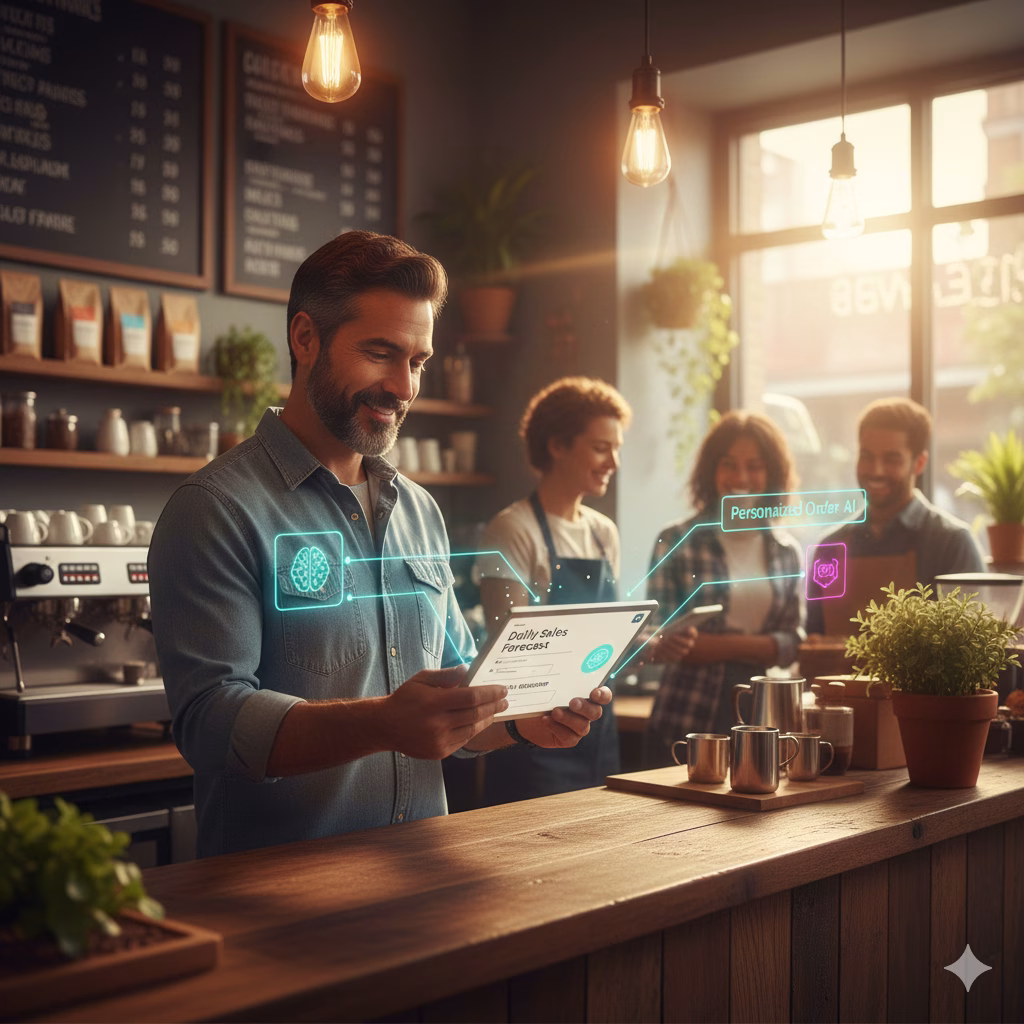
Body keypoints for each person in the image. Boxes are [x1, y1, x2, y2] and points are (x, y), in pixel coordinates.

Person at [148, 232, 610, 857]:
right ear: (305, 338)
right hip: (277, 904)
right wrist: (380, 722)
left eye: (417, 361)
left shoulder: (419, 510)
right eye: (379, 353)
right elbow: (209, 724)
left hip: (422, 883)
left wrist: (525, 723)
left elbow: (455, 709)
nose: (403, 386)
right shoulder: (216, 509)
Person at [473, 377, 631, 802]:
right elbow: (511, 648)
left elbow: (607, 636)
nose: (613, 462)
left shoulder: (604, 533)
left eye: (617, 448)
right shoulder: (512, 530)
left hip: (597, 723)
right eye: (601, 447)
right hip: (531, 731)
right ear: (558, 446)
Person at [643, 411, 804, 768]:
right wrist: (761, 646)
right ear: (711, 471)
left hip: (762, 716)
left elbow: (793, 643)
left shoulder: (786, 550)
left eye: (755, 465)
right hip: (686, 714)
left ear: (772, 474)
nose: (740, 477)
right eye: (728, 464)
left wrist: (714, 645)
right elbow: (659, 638)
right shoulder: (676, 541)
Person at [805, 397, 986, 635]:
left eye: (891, 459)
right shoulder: (829, 547)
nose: (876, 470)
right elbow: (813, 639)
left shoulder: (952, 543)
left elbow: (970, 649)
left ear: (919, 463)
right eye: (867, 456)